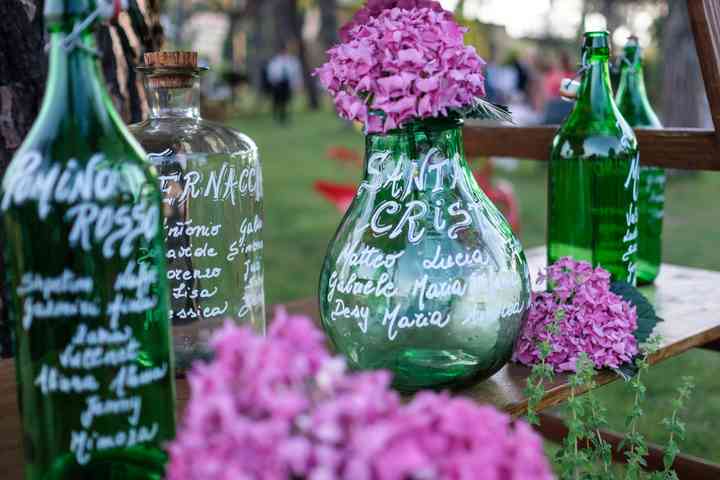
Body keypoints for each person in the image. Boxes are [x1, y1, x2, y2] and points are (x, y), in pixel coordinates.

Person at [267, 44, 302, 123]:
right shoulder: (275, 61)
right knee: (277, 102)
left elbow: (296, 73)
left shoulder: (292, 61)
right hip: (277, 84)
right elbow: (271, 73)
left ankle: (286, 118)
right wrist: (272, 82)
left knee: (287, 102)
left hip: (287, 84)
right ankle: (276, 118)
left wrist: (296, 83)